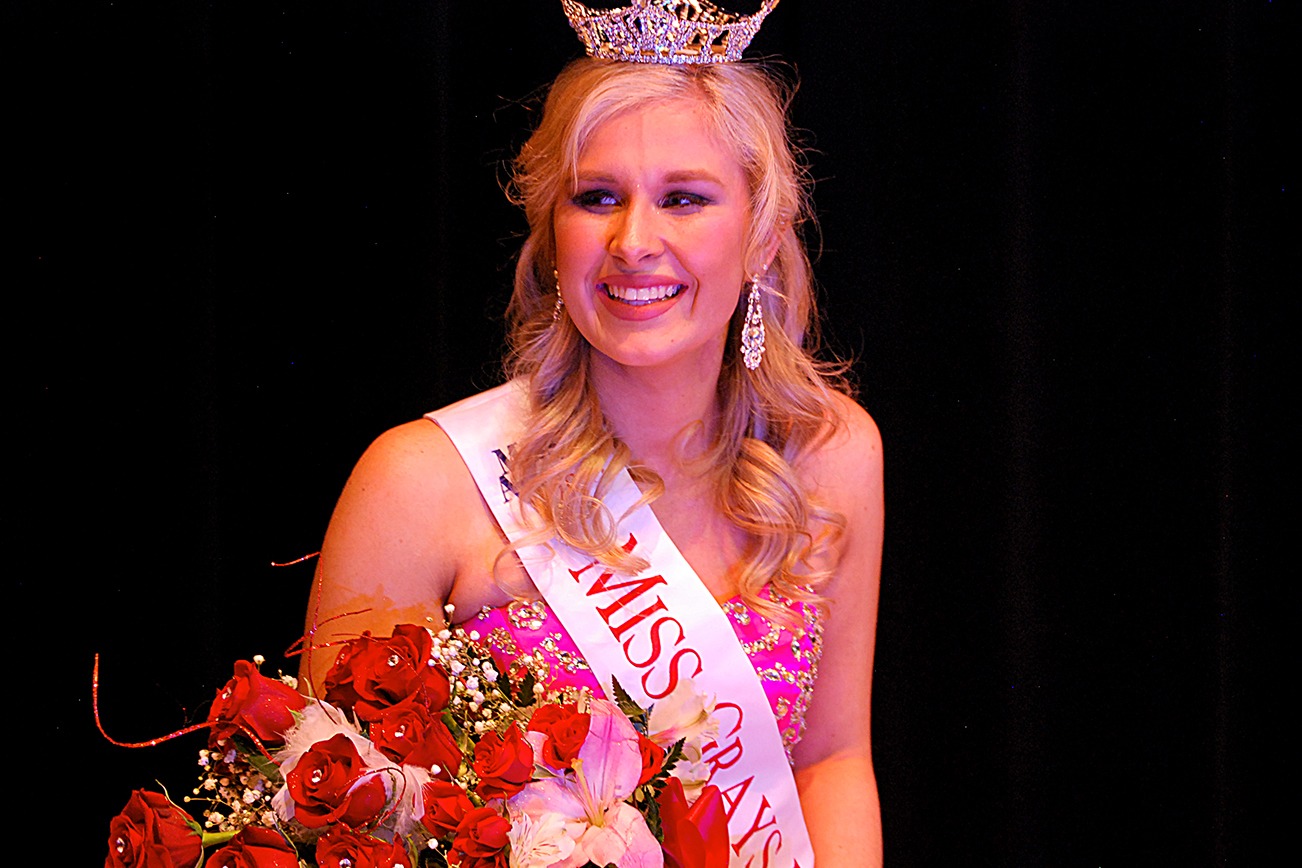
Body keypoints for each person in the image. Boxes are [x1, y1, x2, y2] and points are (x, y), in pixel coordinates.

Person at [303, 3, 883, 865]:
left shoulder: (830, 454)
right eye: (597, 198)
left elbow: (830, 763)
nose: (633, 242)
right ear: (552, 229)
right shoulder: (423, 481)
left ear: (761, 235)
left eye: (684, 198)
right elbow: (338, 820)